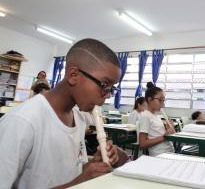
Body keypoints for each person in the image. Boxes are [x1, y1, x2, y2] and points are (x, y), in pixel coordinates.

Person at [0, 38, 129, 188]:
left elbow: (60, 174)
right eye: (105, 85)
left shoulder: (79, 118)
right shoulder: (22, 122)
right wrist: (77, 183)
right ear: (73, 75)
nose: (107, 95)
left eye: (112, 88)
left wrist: (90, 167)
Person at [138, 82, 175, 156]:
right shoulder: (145, 116)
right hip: (160, 155)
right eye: (160, 100)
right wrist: (164, 137)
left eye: (163, 100)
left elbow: (158, 134)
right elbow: (142, 144)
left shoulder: (156, 116)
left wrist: (167, 129)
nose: (163, 104)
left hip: (170, 152)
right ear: (149, 99)